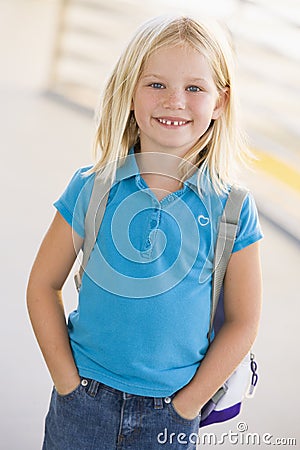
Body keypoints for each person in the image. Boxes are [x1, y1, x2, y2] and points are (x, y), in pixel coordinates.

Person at [27, 14, 263, 450]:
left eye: (195, 88)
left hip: (170, 415)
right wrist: (66, 383)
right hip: (83, 403)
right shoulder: (93, 186)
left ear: (219, 103)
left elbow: (244, 321)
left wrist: (187, 405)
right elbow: (43, 284)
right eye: (156, 84)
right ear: (130, 93)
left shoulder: (232, 208)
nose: (175, 101)